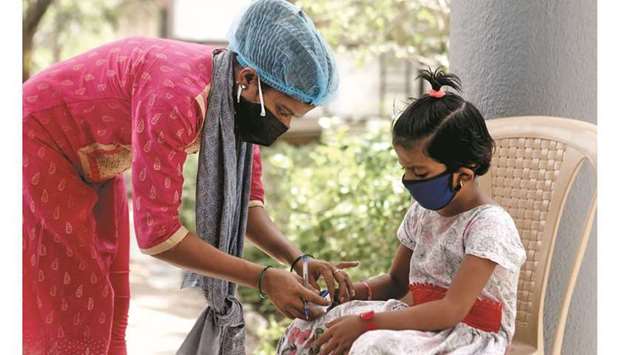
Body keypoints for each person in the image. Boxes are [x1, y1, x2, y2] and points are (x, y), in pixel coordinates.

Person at [22, 1, 356, 354]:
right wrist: (261, 279)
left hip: (98, 161)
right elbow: (157, 234)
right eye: (282, 111)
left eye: (294, 117)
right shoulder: (177, 97)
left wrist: (297, 260)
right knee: (74, 301)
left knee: (111, 298)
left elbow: (248, 209)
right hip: (38, 140)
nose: (284, 126)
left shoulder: (236, 102)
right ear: (248, 80)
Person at [276, 68, 527, 355]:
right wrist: (346, 295)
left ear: (464, 175)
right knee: (311, 325)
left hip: (468, 335)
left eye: (419, 171)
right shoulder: (423, 213)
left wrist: (366, 323)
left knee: (371, 346)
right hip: (419, 324)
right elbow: (396, 282)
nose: (409, 180)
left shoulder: (489, 226)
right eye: (405, 169)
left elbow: (451, 310)